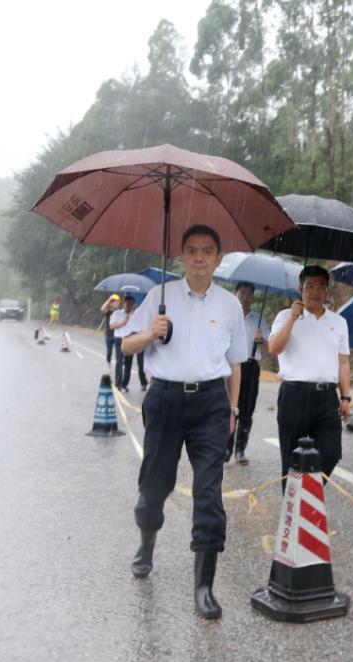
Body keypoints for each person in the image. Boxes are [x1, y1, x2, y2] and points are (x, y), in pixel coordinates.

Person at [121, 225, 246, 620]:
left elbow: (237, 362)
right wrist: (149, 334)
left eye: (207, 251)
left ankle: (204, 586)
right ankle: (146, 543)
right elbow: (125, 344)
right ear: (180, 255)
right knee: (155, 485)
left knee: (209, 491)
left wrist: (233, 408)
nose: (198, 257)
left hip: (210, 402)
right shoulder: (160, 296)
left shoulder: (229, 306)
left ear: (218, 259)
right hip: (165, 399)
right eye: (191, 250)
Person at [269, 265, 351, 493]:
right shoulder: (285, 316)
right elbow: (274, 348)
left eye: (321, 286)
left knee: (331, 452)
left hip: (326, 397)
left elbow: (343, 362)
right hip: (294, 395)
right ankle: (291, 517)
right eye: (310, 286)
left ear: (327, 290)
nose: (315, 291)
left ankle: (305, 495)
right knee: (290, 460)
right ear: (300, 288)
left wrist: (346, 396)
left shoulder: (338, 322)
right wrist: (293, 318)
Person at [226, 281, 270, 465]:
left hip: (251, 367)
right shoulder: (228, 317)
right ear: (235, 294)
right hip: (230, 366)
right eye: (241, 292)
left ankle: (240, 449)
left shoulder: (259, 320)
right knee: (228, 408)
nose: (245, 297)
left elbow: (270, 348)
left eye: (249, 293)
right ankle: (225, 448)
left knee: (247, 408)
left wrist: (261, 340)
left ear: (253, 297)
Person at [100, 294, 121, 364]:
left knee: (119, 353)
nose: (115, 303)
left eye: (116, 302)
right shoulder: (109, 312)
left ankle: (119, 366)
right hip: (109, 335)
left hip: (118, 335)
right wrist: (109, 300)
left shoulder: (121, 312)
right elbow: (102, 309)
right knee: (109, 353)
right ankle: (109, 366)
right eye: (113, 302)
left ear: (119, 302)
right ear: (111, 304)